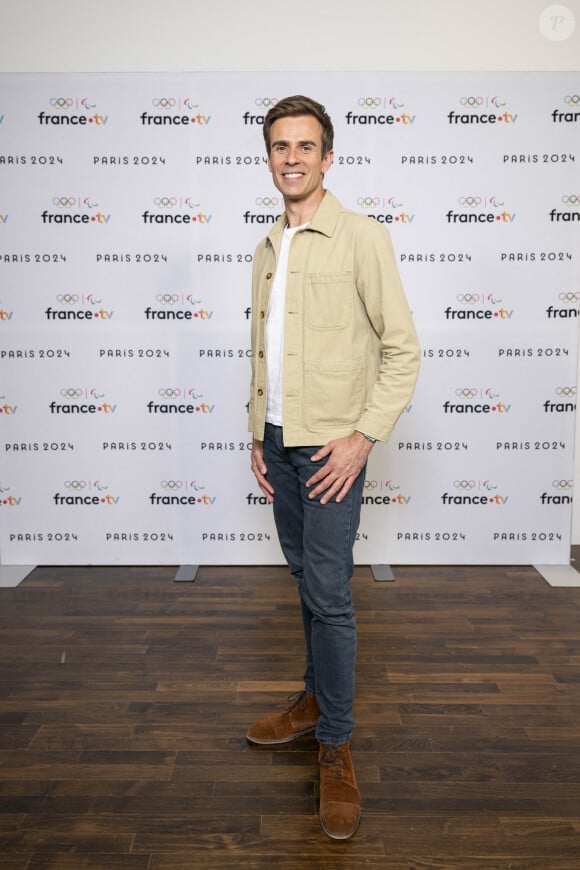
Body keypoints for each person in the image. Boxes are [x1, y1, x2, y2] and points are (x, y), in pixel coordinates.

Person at [247, 95, 420, 840]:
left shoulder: (361, 237)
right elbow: (269, 353)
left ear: (328, 156)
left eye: (305, 146)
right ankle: (314, 699)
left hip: (330, 449)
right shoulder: (267, 246)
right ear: (269, 156)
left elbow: (402, 348)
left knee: (329, 595)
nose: (292, 157)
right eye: (280, 146)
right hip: (280, 444)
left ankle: (336, 742)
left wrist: (363, 438)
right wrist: (257, 433)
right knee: (306, 584)